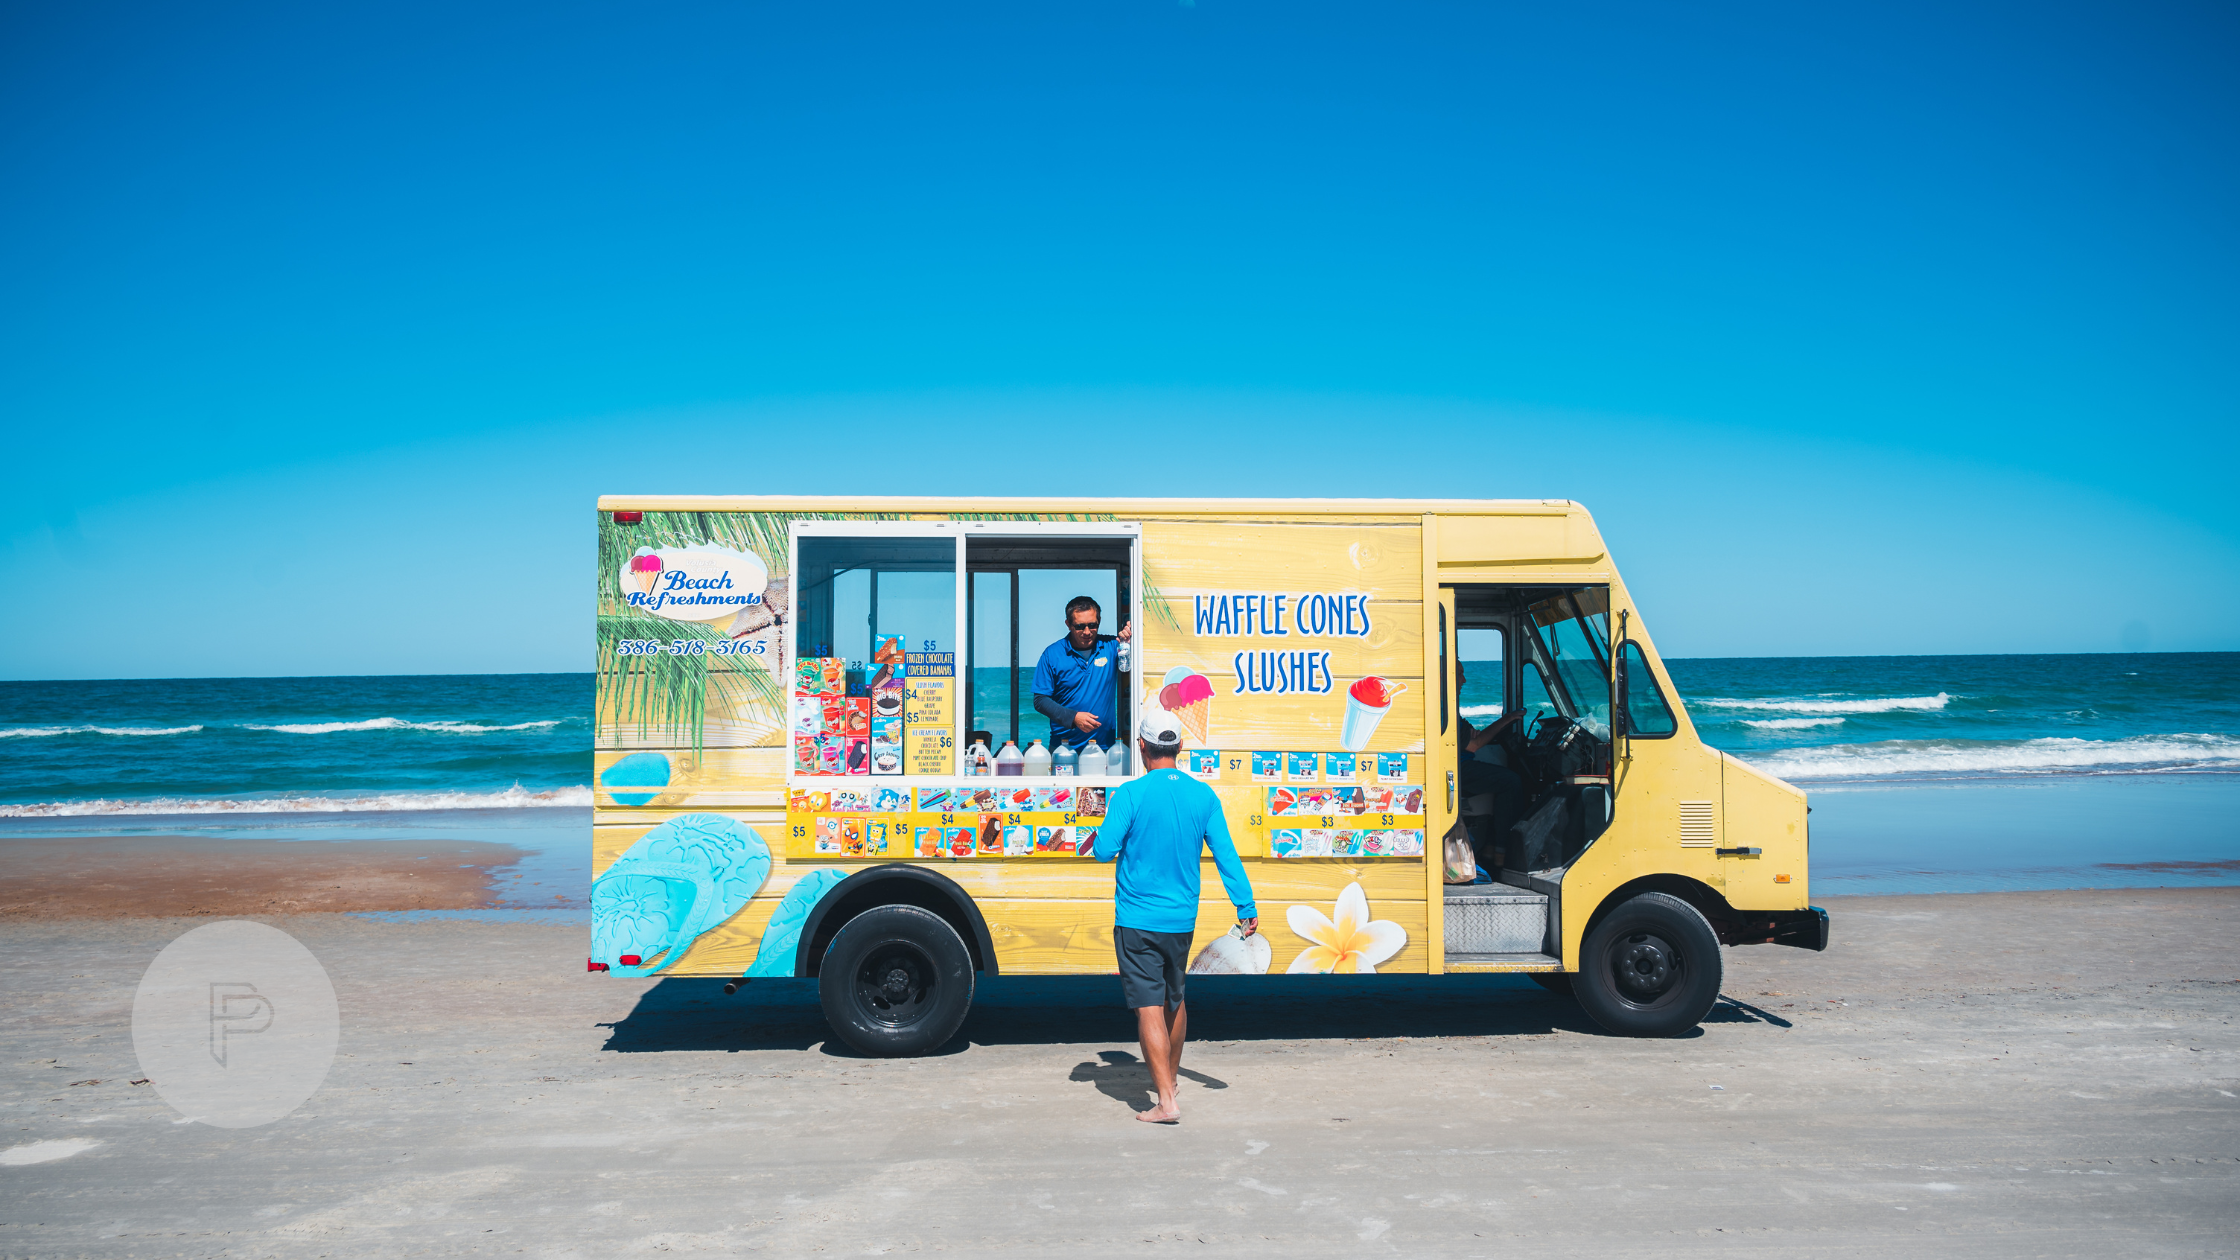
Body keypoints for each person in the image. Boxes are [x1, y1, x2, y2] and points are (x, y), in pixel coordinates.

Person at [1088, 707, 1256, 1124]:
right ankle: (1173, 1080)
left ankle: (1165, 1101)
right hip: (1181, 921)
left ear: (1141, 747)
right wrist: (1245, 906)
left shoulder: (1130, 794)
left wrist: (1101, 835)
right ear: (1179, 746)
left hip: (1137, 919)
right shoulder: (1203, 796)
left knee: (1149, 1007)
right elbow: (1226, 855)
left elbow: (1104, 851)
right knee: (1175, 1001)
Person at [1031, 595, 1132, 753]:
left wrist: (1130, 638)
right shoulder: (1052, 654)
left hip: (1104, 748)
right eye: (1079, 626)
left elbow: (1136, 659)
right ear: (1068, 624)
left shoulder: (1112, 646)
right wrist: (1074, 717)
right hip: (1064, 749)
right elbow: (1040, 700)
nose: (1087, 632)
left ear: (1099, 621)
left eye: (1092, 625)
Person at [1456, 662, 1526, 872]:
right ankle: (1501, 851)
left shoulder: (1446, 705)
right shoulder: (1442, 707)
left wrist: (1472, 733)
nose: (1464, 680)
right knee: (1510, 782)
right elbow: (1474, 744)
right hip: (1457, 767)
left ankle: (1490, 847)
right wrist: (1507, 719)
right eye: (1459, 674)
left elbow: (1468, 735)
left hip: (1460, 763)